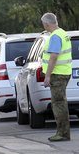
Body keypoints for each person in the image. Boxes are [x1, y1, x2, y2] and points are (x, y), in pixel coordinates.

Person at [40, 12, 72, 142]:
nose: (44, 26)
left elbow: (53, 56)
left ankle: (63, 134)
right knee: (61, 103)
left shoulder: (55, 37)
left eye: (44, 24)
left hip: (58, 75)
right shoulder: (63, 33)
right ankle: (63, 132)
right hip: (64, 72)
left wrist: (47, 76)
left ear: (47, 24)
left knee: (58, 104)